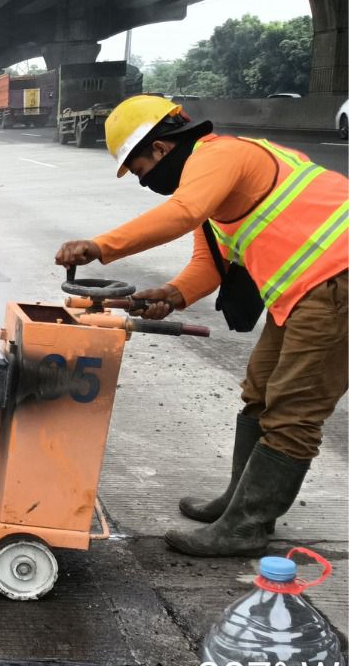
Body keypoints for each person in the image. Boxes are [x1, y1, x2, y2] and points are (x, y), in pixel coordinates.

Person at [54, 95, 348, 557]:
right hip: (307, 291)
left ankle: (246, 526)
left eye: (141, 170)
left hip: (338, 283)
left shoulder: (222, 155)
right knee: (260, 391)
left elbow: (182, 212)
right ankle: (239, 501)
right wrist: (172, 295)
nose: (145, 182)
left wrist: (100, 246)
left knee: (293, 410)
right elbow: (209, 266)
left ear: (162, 148)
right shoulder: (212, 192)